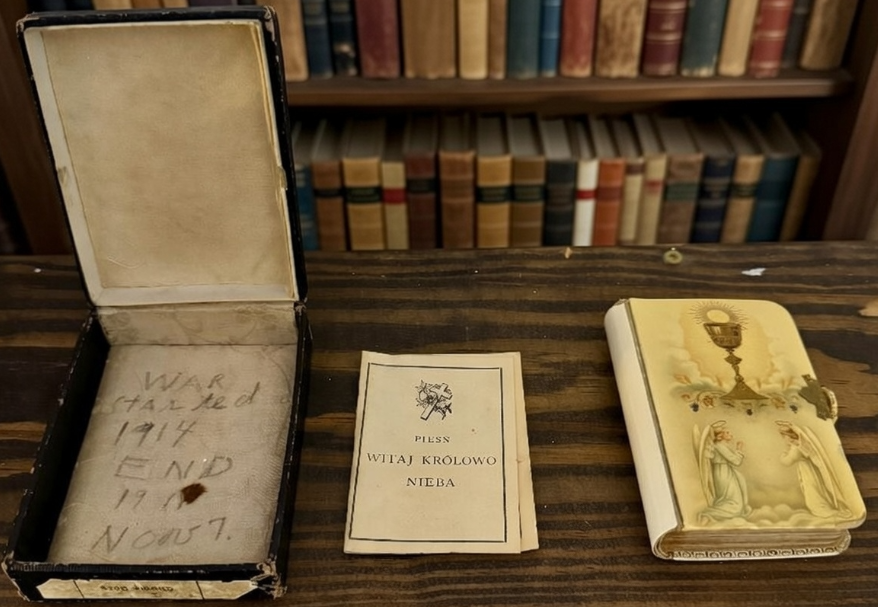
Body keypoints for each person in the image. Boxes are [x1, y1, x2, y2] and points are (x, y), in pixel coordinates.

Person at [777, 421, 850, 519]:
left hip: (808, 473)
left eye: (783, 436)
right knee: (816, 491)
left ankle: (823, 510)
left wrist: (783, 454)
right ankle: (823, 508)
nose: (783, 439)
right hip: (811, 471)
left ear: (789, 436)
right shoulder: (801, 444)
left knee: (812, 493)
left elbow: (786, 462)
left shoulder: (797, 448)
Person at [694, 421, 751, 523]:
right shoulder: (719, 446)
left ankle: (712, 516)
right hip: (723, 474)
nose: (731, 434)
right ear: (721, 435)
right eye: (727, 432)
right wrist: (739, 450)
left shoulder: (720, 446)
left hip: (724, 472)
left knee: (731, 502)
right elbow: (736, 461)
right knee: (734, 504)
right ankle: (707, 514)